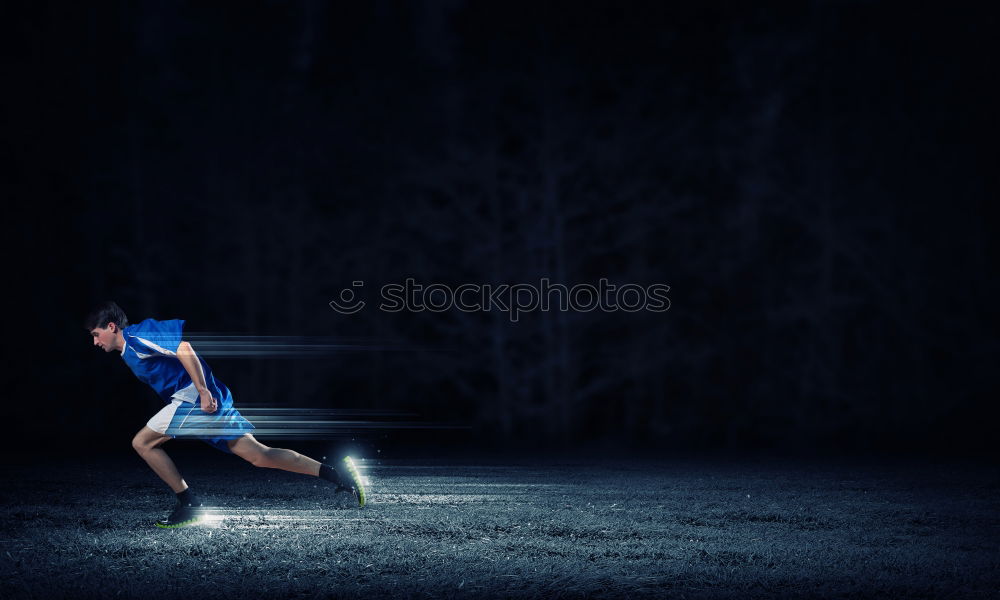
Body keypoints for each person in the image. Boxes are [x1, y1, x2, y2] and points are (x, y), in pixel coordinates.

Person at [85, 300, 366, 528]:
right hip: (198, 399)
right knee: (259, 455)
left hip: (195, 398)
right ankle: (337, 474)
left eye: (96, 335)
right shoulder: (128, 351)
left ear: (111, 326)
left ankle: (190, 504)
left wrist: (203, 390)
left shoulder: (136, 335)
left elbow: (183, 347)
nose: (95, 342)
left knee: (142, 443)